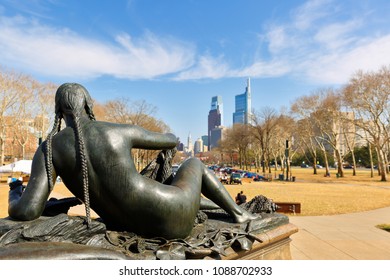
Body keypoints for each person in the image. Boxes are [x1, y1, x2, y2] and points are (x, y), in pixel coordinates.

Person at [8, 83, 256, 239]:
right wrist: (166, 141)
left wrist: (15, 193)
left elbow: (28, 210)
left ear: (58, 112)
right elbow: (169, 139)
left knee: (174, 187)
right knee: (194, 165)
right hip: (171, 218)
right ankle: (238, 213)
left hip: (129, 224)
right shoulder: (117, 131)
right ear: (88, 105)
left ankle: (225, 209)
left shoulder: (48, 148)